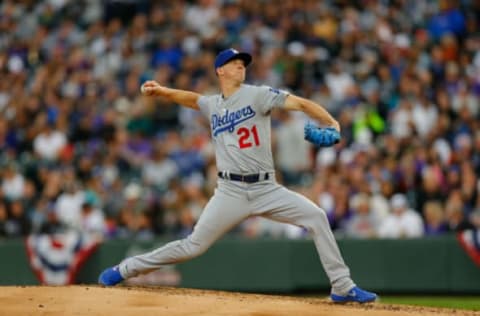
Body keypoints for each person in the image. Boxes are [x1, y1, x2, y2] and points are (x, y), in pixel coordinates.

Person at [98, 48, 377, 303]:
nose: (241, 66)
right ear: (220, 70)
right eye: (234, 63)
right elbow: (192, 99)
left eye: (243, 63)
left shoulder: (257, 94)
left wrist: (331, 122)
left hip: (267, 188)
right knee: (193, 246)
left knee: (316, 217)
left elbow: (301, 103)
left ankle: (342, 286)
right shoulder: (212, 104)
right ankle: (126, 268)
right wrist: (162, 91)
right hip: (229, 191)